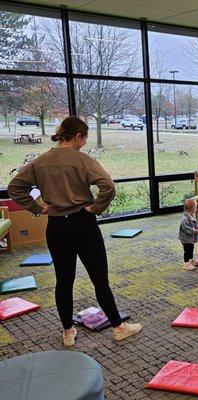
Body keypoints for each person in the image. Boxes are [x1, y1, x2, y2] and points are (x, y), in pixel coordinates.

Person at [7, 116, 142, 347]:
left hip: (57, 227)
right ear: (78, 136)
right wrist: (96, 207)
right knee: (100, 280)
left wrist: (39, 208)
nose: (84, 144)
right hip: (83, 224)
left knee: (63, 280)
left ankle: (68, 333)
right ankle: (119, 328)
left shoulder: (41, 161)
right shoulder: (82, 159)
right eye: (84, 139)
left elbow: (14, 188)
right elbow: (108, 186)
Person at [179, 198, 198, 270]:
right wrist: (195, 231)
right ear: (193, 209)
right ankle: (186, 264)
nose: (196, 208)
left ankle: (191, 260)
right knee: (187, 251)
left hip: (190, 238)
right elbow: (186, 228)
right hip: (186, 238)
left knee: (191, 249)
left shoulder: (190, 215)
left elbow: (194, 223)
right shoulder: (185, 219)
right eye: (196, 207)